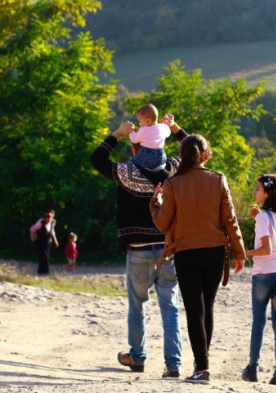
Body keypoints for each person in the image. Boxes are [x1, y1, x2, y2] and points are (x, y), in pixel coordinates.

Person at [89, 114, 186, 379]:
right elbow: (195, 151)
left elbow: (96, 159)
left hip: (139, 250)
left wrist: (118, 134)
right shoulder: (173, 170)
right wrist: (175, 128)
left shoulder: (127, 172)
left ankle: (138, 357)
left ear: (137, 148)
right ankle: (173, 364)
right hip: (167, 249)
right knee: (171, 308)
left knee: (137, 306)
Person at [150, 134, 246, 385]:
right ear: (207, 155)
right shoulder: (218, 179)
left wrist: (154, 204)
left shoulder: (172, 185)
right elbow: (230, 220)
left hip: (186, 252)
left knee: (195, 311)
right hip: (215, 251)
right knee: (208, 307)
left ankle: (202, 368)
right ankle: (202, 363)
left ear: (182, 156)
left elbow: (162, 223)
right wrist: (239, 252)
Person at [242, 173, 276, 387]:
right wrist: (258, 218)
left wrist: (243, 253)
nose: (254, 191)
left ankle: (253, 368)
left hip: (264, 273)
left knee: (259, 321)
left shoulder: (264, 217)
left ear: (268, 193)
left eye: (257, 188)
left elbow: (265, 248)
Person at [129, 104, 171, 171]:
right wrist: (165, 124)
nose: (139, 124)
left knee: (132, 163)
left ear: (148, 121)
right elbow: (168, 133)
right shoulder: (163, 127)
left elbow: (134, 139)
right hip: (161, 158)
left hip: (146, 155)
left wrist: (131, 132)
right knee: (160, 166)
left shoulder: (144, 129)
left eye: (139, 121)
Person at [30, 210, 59, 275]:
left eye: (50, 217)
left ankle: (45, 271)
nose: (48, 219)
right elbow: (32, 229)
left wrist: (55, 241)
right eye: (47, 217)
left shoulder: (52, 224)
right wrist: (35, 235)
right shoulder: (40, 223)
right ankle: (41, 271)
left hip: (47, 243)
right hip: (39, 243)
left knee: (46, 257)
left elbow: (52, 232)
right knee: (43, 256)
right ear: (44, 218)